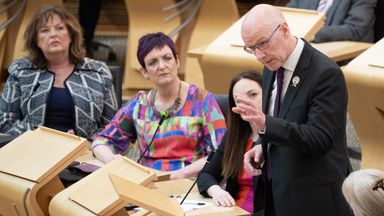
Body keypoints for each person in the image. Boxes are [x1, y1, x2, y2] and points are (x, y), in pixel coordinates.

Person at [238, 4, 351, 215]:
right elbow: (282, 119)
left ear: (284, 29)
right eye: (251, 48)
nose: (259, 55)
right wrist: (262, 145)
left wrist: (265, 124)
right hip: (278, 193)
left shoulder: (326, 73)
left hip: (314, 199)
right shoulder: (270, 66)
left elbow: (319, 138)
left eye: (262, 43)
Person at [92, 32, 226, 179]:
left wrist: (179, 174)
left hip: (189, 185)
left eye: (167, 58)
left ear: (177, 61)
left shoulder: (202, 100)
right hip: (150, 184)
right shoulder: (139, 104)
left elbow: (220, 153)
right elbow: (101, 142)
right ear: (144, 72)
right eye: (152, 62)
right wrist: (111, 159)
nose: (162, 66)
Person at [0, 5, 118, 140]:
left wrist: (82, 141)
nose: (53, 34)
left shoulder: (97, 71)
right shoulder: (21, 70)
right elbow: (5, 121)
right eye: (45, 30)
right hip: (33, 148)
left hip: (84, 152)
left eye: (60, 28)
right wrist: (42, 138)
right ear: (36, 41)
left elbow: (112, 127)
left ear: (71, 35)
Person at [197, 71, 263, 214]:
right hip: (232, 210)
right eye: (239, 100)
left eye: (253, 95)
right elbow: (206, 174)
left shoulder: (280, 136)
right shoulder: (236, 136)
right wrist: (216, 191)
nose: (246, 103)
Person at [286, 0, 377, 43]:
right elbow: (287, 15)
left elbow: (355, 29)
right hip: (305, 48)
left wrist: (311, 33)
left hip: (342, 58)